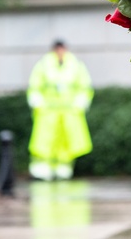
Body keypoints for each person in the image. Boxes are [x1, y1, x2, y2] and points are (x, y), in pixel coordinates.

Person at [26, 40, 94, 181]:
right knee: (44, 140)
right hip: (48, 111)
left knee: (66, 140)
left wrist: (79, 103)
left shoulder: (75, 65)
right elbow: (35, 86)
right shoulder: (43, 65)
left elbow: (84, 86)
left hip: (69, 111)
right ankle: (42, 169)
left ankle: (64, 168)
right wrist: (38, 103)